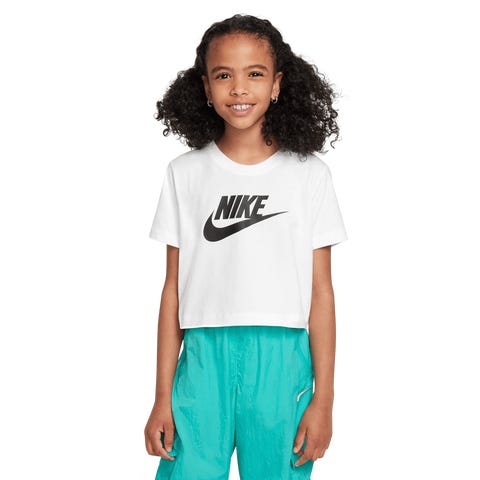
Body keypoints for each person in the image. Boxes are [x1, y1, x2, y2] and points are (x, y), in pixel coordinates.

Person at [144, 13, 348, 480]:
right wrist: (161, 397)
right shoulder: (184, 173)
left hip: (282, 360)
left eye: (255, 74)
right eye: (223, 75)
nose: (239, 88)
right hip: (202, 359)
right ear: (205, 86)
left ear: (277, 84)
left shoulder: (309, 175)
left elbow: (322, 292)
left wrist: (325, 399)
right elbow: (172, 288)